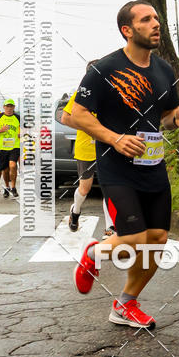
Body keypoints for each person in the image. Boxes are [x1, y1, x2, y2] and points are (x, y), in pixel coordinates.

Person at [70, 0, 179, 329]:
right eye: (146, 19)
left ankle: (125, 304)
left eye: (156, 18)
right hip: (117, 166)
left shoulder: (164, 70)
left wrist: (178, 118)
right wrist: (114, 138)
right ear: (128, 30)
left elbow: (166, 116)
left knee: (156, 242)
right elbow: (75, 115)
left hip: (153, 165)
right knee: (136, 239)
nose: (156, 24)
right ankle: (94, 253)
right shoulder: (105, 69)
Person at [61, 60, 115, 235]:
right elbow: (65, 119)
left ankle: (110, 227)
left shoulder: (109, 95)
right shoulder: (81, 94)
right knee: (85, 188)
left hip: (106, 147)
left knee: (109, 187)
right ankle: (75, 211)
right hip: (86, 148)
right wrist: (88, 126)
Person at [0, 99, 20, 198]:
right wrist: (1, 130)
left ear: (13, 107)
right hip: (2, 147)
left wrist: (22, 133)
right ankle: (6, 187)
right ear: (4, 107)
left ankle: (13, 187)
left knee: (12, 165)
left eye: (11, 106)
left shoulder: (18, 117)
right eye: (7, 106)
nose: (9, 108)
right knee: (5, 170)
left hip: (14, 146)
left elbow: (26, 129)